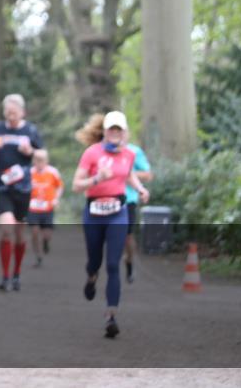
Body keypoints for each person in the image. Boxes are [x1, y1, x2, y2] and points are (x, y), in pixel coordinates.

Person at [72, 111, 148, 339]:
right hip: (94, 213)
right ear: (105, 131)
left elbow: (129, 175)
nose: (115, 133)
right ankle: (91, 276)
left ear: (124, 132)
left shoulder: (128, 154)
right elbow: (76, 185)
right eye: (111, 129)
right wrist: (97, 179)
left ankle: (110, 315)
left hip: (118, 212)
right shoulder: (91, 153)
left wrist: (141, 189)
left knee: (113, 264)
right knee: (95, 261)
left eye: (119, 129)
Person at [0, 94, 43, 291]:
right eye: (7, 112)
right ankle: (5, 276)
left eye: (13, 112)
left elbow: (42, 154)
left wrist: (31, 152)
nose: (10, 116)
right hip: (3, 186)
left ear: (22, 112)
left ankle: (17, 274)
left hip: (23, 188)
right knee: (6, 230)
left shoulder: (30, 131)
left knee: (19, 235)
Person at [121, 129, 153, 284]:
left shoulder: (135, 151)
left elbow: (147, 174)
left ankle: (129, 262)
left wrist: (128, 173)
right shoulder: (103, 152)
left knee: (127, 235)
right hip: (107, 199)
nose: (119, 135)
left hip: (129, 199)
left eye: (122, 131)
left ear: (127, 134)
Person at [27, 149, 63, 267]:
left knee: (47, 234)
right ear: (33, 160)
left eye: (42, 160)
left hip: (48, 208)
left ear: (46, 160)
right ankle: (38, 256)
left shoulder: (53, 172)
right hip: (32, 208)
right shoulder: (29, 172)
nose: (39, 162)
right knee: (35, 232)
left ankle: (46, 242)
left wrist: (56, 199)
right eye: (37, 160)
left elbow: (59, 187)